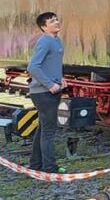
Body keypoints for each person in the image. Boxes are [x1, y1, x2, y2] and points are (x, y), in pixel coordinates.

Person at [26, 12, 65, 174]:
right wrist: (50, 84)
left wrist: (61, 79)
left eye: (56, 19)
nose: (56, 22)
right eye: (52, 21)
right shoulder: (45, 41)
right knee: (49, 131)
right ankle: (49, 168)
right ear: (44, 27)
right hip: (42, 92)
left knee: (43, 128)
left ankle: (35, 165)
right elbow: (33, 67)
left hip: (51, 90)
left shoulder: (56, 40)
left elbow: (53, 64)